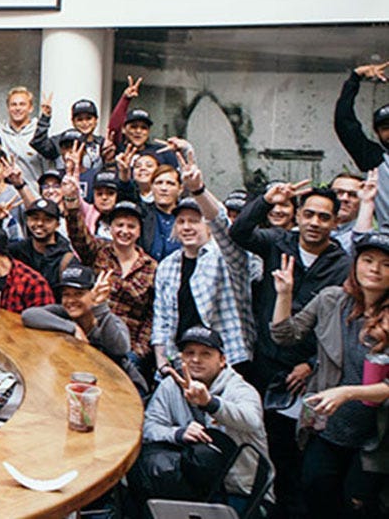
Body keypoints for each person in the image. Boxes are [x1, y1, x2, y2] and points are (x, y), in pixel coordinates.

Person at [229, 181, 352, 513]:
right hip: (265, 362)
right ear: (297, 215)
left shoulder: (343, 265)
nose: (314, 222)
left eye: (323, 217)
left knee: (297, 453)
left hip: (310, 375)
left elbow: (343, 324)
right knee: (258, 443)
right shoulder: (277, 243)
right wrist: (266, 200)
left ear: (335, 222)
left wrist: (312, 362)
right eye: (308, 214)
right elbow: (238, 232)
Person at [269, 231, 389, 518]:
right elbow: (285, 334)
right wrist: (284, 294)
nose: (374, 269)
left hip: (376, 437)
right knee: (316, 493)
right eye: (368, 260)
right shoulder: (332, 300)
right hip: (327, 428)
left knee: (359, 507)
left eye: (386, 264)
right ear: (355, 264)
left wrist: (349, 392)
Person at [130, 326, 271, 515]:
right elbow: (149, 426)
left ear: (222, 360)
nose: (196, 360)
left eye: (206, 354)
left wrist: (209, 403)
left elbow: (251, 420)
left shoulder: (240, 389)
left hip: (239, 490)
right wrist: (178, 434)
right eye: (189, 353)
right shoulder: (171, 385)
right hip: (194, 484)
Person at [151, 159, 253, 369]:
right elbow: (161, 320)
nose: (187, 227)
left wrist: (198, 190)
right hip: (182, 360)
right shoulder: (168, 266)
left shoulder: (225, 256)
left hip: (228, 361)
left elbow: (222, 225)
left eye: (194, 221)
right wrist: (162, 363)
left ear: (207, 226)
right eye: (181, 221)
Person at [62, 186, 158, 368]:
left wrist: (138, 353)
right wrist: (71, 202)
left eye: (131, 226)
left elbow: (151, 316)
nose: (124, 231)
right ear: (111, 228)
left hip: (126, 346)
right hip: (92, 334)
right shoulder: (98, 251)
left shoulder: (151, 267)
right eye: (119, 225)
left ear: (139, 231)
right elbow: (77, 234)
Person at [21, 265, 146, 392]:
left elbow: (120, 348)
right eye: (66, 294)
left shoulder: (107, 319)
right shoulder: (63, 313)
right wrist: (73, 327)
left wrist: (100, 306)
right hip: (82, 384)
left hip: (123, 389)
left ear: (94, 293)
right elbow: (29, 315)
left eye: (78, 294)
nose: (71, 300)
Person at [333, 61, 389, 226]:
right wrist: (355, 78)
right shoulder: (375, 160)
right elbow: (345, 123)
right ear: (377, 133)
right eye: (386, 128)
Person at [6, 198, 75, 290]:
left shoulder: (65, 256)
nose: (39, 223)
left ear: (57, 225)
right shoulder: (17, 250)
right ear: (27, 221)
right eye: (35, 218)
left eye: (47, 220)